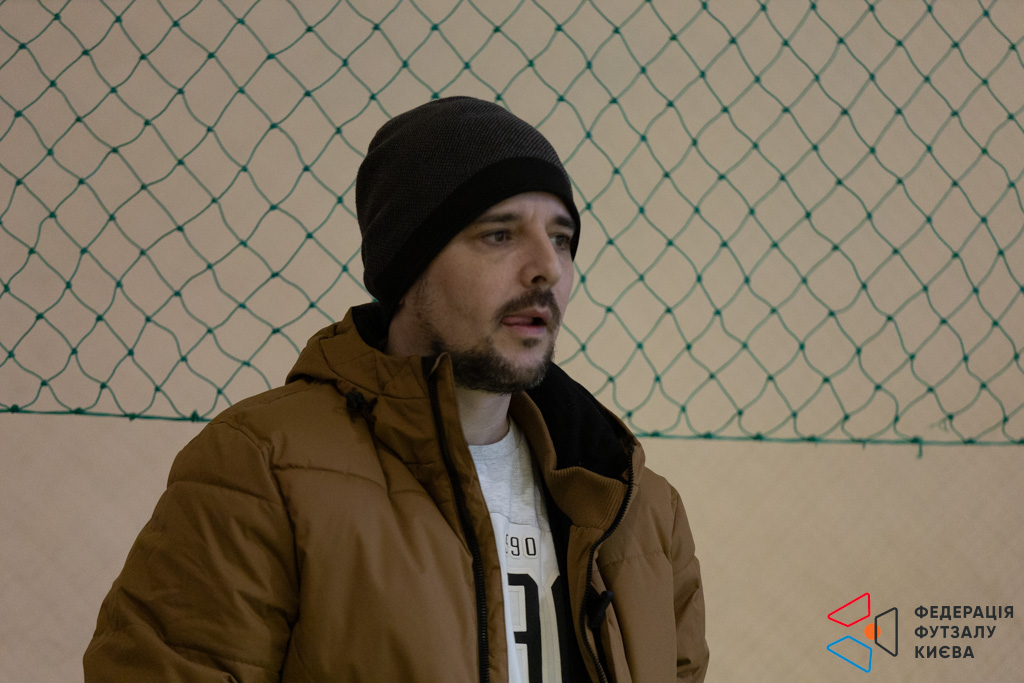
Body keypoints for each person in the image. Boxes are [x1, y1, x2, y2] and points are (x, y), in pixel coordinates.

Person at [84, 96, 709, 682]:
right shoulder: (261, 469)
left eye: (562, 239)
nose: (547, 267)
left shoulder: (637, 507)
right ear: (409, 265)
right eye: (499, 234)